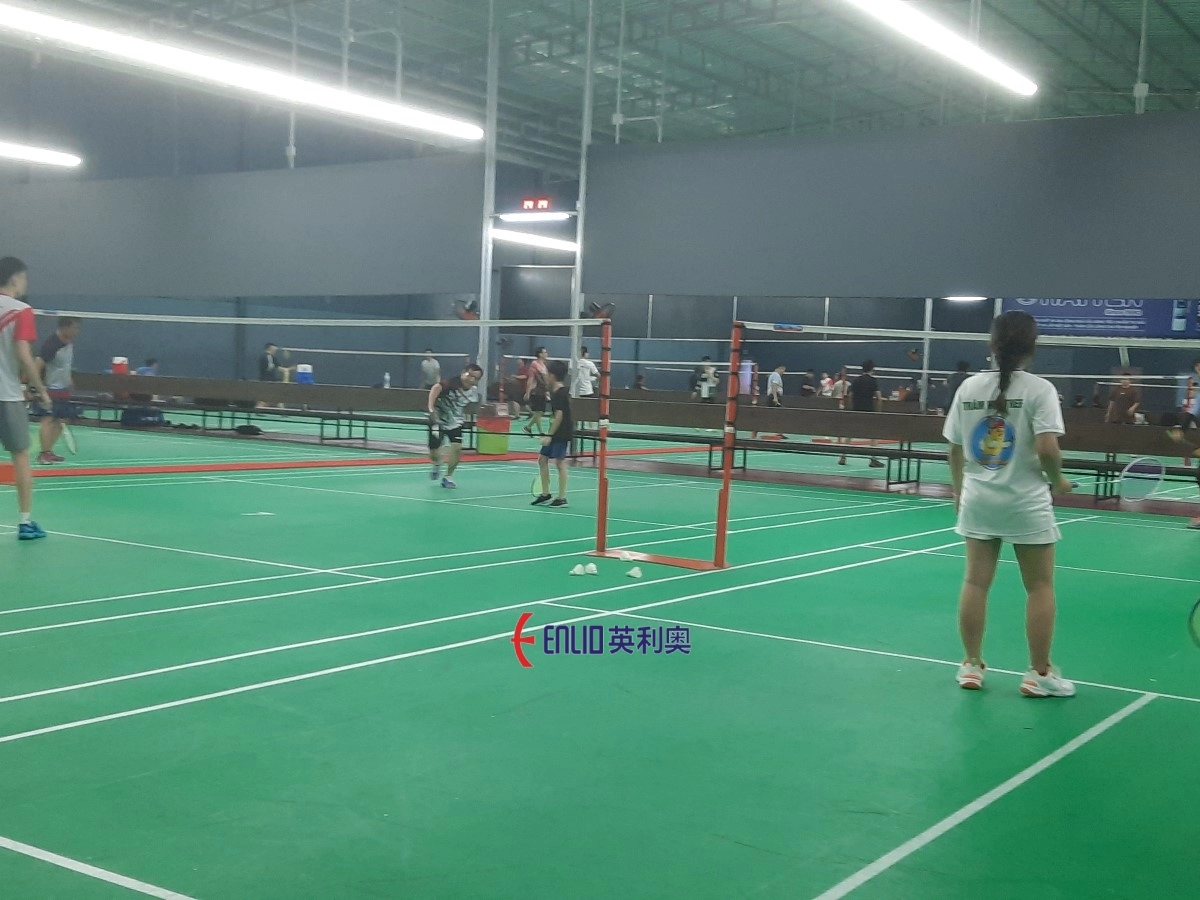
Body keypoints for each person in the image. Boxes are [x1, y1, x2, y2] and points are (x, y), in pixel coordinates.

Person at [944, 311, 1075, 698]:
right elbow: (1047, 448)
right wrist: (1059, 481)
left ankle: (971, 665)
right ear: (1032, 347)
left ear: (992, 344)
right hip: (1025, 502)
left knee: (975, 582)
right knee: (1039, 586)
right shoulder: (1040, 389)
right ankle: (1039, 674)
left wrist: (958, 491)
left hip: (978, 499)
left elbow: (953, 448)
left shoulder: (969, 387)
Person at [0, 258, 50, 540]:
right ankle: (25, 522)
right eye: (24, 279)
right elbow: (23, 353)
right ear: (15, 279)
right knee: (20, 456)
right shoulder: (21, 310)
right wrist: (40, 389)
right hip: (7, 395)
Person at [32, 316, 81, 465]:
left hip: (63, 390)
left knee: (61, 421)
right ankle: (43, 454)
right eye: (75, 328)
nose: (77, 331)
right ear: (65, 327)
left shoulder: (69, 343)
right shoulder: (52, 344)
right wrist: (37, 388)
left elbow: (65, 365)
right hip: (50, 390)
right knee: (48, 420)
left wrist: (69, 379)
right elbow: (37, 365)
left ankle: (49, 451)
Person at [427, 363, 483, 489]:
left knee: (457, 448)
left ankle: (448, 477)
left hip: (456, 422)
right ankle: (437, 463)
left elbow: (468, 405)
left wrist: (468, 418)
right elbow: (436, 388)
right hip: (438, 420)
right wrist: (431, 409)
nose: (472, 380)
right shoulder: (451, 384)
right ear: (463, 373)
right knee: (434, 451)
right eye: (470, 375)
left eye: (476, 378)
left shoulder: (473, 391)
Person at [532, 359, 573, 508]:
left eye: (547, 374)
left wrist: (549, 435)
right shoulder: (554, 392)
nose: (546, 376)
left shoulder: (561, 393)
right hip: (554, 431)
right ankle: (545, 494)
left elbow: (559, 415)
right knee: (542, 460)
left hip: (562, 432)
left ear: (552, 375)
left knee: (560, 463)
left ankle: (562, 498)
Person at [841, 360, 884, 468]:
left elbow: (850, 396)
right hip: (869, 411)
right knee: (873, 435)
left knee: (850, 434)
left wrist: (852, 408)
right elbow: (879, 398)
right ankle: (873, 459)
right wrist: (878, 412)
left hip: (856, 410)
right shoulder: (873, 381)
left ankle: (843, 456)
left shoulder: (855, 380)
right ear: (872, 369)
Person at [523, 347, 550, 436]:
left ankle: (528, 427)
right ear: (540, 354)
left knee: (540, 412)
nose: (546, 354)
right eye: (544, 352)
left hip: (542, 391)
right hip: (536, 391)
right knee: (539, 411)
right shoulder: (534, 364)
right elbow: (531, 379)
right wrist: (527, 392)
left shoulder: (544, 365)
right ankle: (539, 431)